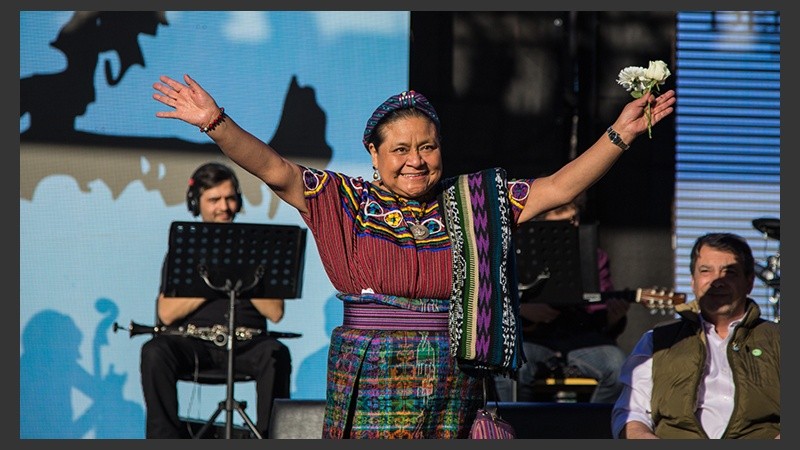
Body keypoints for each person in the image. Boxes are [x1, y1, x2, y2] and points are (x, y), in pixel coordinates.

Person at [152, 73, 675, 438]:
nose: (415, 161)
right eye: (400, 149)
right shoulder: (344, 200)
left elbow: (558, 188)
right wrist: (215, 121)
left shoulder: (474, 204)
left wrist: (619, 135)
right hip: (370, 367)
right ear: (374, 154)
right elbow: (273, 167)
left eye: (427, 146)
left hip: (454, 371)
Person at [139, 162, 292, 438]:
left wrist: (241, 270)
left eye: (230, 198)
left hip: (248, 346)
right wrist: (214, 277)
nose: (224, 206)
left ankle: (271, 436)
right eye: (214, 200)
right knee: (154, 352)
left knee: (276, 353)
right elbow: (167, 313)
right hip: (196, 345)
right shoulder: (183, 249)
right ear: (197, 203)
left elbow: (276, 312)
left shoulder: (255, 248)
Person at [611, 232, 780, 439]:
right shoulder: (658, 340)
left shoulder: (778, 340)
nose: (717, 281)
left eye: (730, 272)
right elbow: (631, 412)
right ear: (693, 281)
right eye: (706, 271)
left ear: (749, 282)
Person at [496, 195, 630, 403]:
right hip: (532, 339)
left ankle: (591, 429)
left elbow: (600, 310)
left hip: (580, 339)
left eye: (575, 219)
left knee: (618, 367)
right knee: (509, 368)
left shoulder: (595, 258)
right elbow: (491, 299)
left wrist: (614, 318)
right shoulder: (515, 253)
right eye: (562, 218)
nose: (572, 224)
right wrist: (522, 309)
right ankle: (519, 428)